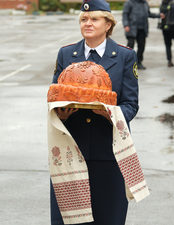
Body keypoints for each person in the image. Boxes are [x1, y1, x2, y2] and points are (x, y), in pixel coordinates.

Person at [50, 0, 139, 224]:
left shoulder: (124, 56)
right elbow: (55, 96)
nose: (87, 23)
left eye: (94, 19)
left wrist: (110, 114)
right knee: (69, 218)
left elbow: (131, 104)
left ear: (108, 24)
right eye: (84, 19)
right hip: (71, 149)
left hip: (109, 152)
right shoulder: (66, 54)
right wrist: (62, 113)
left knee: (109, 217)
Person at [122, 0, 160, 70]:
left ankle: (138, 62)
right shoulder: (129, 3)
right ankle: (127, 63)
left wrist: (159, 15)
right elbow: (125, 14)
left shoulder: (145, 3)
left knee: (141, 46)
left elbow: (149, 14)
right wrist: (126, 25)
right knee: (130, 46)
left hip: (142, 28)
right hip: (131, 28)